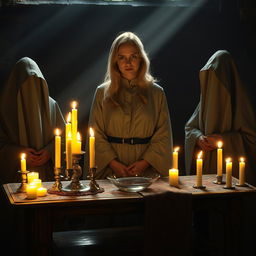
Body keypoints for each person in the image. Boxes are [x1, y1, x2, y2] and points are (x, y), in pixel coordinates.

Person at [84, 32, 173, 179]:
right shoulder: (102, 93)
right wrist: (114, 164)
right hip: (110, 170)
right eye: (122, 57)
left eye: (133, 56)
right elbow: (96, 134)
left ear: (141, 59)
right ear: (115, 61)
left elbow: (163, 134)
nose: (128, 63)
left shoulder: (157, 93)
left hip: (147, 171)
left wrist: (144, 163)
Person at [185, 50, 256, 185]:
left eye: (217, 79)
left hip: (232, 175)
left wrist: (224, 140)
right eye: (209, 79)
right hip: (206, 172)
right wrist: (198, 138)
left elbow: (251, 140)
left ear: (227, 78)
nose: (213, 85)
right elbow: (190, 128)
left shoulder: (241, 102)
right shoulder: (206, 100)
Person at [0, 57, 65, 184]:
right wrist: (17, 154)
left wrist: (50, 152)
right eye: (26, 85)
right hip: (15, 180)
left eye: (36, 83)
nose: (31, 90)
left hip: (48, 178)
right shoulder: (4, 108)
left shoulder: (51, 105)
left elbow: (65, 140)